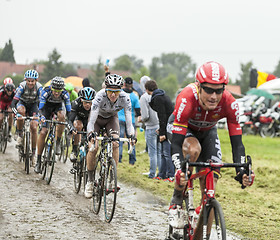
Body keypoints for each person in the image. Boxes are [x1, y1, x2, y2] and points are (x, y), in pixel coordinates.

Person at [168, 61, 255, 236]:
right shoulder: (186, 98)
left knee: (211, 185)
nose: (214, 96)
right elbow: (177, 144)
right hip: (183, 130)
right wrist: (179, 170)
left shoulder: (229, 103)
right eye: (208, 89)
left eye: (219, 90)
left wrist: (242, 172)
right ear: (199, 87)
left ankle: (200, 231)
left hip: (208, 132)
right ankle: (177, 198)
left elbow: (237, 143)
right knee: (193, 150)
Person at [85, 74, 136, 198]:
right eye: (110, 91)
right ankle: (90, 181)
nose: (113, 95)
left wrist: (131, 135)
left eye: (116, 92)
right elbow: (91, 120)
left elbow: (129, 121)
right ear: (106, 89)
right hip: (97, 119)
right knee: (94, 147)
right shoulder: (99, 96)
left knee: (115, 143)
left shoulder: (125, 98)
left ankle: (112, 178)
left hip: (111, 119)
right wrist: (91, 133)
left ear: (121, 90)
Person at [34, 76, 71, 173]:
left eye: (59, 91)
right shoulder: (45, 92)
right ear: (51, 88)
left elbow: (69, 111)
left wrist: (69, 122)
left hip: (57, 108)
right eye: (55, 90)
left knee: (62, 117)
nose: (56, 93)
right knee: (43, 132)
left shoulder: (65, 94)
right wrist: (41, 117)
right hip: (46, 109)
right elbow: (40, 109)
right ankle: (38, 160)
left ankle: (58, 141)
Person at [145, 80, 175, 181]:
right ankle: (162, 175)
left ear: (147, 89)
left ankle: (171, 175)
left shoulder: (158, 98)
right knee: (162, 153)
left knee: (167, 153)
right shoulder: (162, 95)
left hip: (169, 127)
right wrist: (161, 129)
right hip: (167, 125)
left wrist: (163, 133)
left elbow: (162, 116)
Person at [11, 70, 42, 164]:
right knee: (21, 111)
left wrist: (40, 115)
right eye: (28, 81)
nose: (30, 83)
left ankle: (33, 154)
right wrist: (17, 114)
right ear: (25, 80)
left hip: (33, 105)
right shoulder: (22, 86)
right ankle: (20, 134)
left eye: (32, 81)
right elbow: (13, 103)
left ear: (36, 81)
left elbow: (42, 104)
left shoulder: (40, 88)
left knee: (34, 127)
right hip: (22, 103)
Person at [138, 75, 161, 179]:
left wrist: (140, 119)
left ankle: (152, 173)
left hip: (150, 127)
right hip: (159, 126)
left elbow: (146, 115)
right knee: (159, 152)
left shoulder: (144, 97)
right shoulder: (159, 95)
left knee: (152, 153)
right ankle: (160, 173)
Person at [68, 87, 96, 162]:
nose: (87, 105)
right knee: (78, 126)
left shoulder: (96, 105)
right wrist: (71, 128)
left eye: (90, 102)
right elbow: (70, 120)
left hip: (89, 120)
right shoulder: (76, 103)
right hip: (79, 118)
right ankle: (74, 150)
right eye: (85, 102)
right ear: (81, 100)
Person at [118, 77, 141, 165]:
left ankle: (119, 158)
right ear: (132, 85)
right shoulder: (134, 97)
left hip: (119, 119)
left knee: (119, 140)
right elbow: (138, 110)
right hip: (130, 121)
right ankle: (132, 160)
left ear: (124, 84)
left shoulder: (120, 94)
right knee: (131, 140)